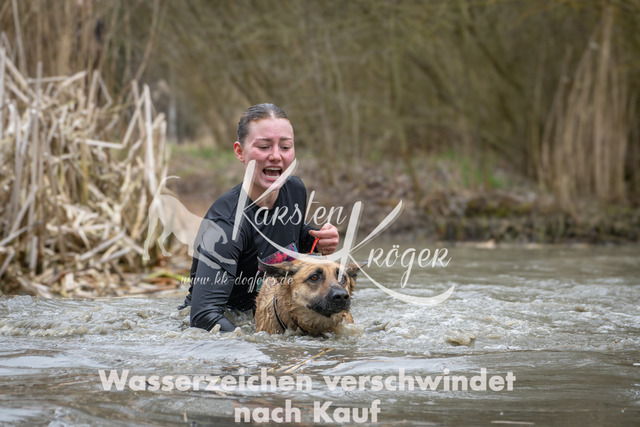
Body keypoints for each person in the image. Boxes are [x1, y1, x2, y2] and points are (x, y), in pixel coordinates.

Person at [182, 103, 339, 332]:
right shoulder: (225, 224)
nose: (276, 156)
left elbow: (287, 236)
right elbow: (203, 316)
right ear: (240, 152)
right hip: (227, 322)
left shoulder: (294, 190)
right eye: (264, 147)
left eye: (285, 147)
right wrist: (253, 345)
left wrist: (316, 239)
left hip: (271, 313)